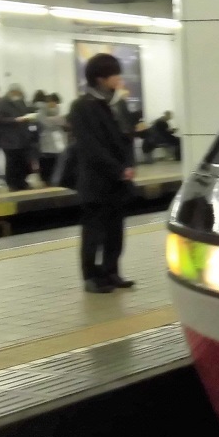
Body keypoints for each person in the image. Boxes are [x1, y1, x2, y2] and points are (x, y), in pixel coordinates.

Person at [69, 55, 136, 293]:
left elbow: (127, 138)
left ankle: (111, 271)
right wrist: (118, 169)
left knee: (115, 231)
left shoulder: (118, 104)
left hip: (118, 181)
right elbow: (90, 146)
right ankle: (91, 277)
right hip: (96, 180)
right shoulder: (82, 106)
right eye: (114, 74)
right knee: (94, 231)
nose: (119, 78)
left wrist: (129, 166)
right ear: (100, 78)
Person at [0, 85, 37, 190]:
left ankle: (22, 182)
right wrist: (15, 120)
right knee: (12, 162)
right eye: (17, 94)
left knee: (22, 161)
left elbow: (26, 112)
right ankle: (12, 184)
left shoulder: (21, 102)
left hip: (22, 137)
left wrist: (30, 116)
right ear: (12, 92)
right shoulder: (1, 103)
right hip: (8, 139)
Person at [36, 93, 69, 185]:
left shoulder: (58, 110)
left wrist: (54, 120)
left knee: (59, 160)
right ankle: (47, 180)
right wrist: (56, 120)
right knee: (48, 161)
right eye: (53, 102)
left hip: (59, 139)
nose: (55, 105)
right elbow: (46, 123)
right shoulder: (41, 112)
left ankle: (58, 178)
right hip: (47, 140)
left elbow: (63, 122)